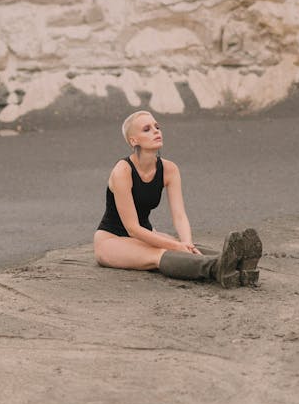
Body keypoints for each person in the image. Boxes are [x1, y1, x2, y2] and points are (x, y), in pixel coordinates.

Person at [93, 110, 262, 288]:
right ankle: (216, 268)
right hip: (112, 241)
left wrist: (186, 242)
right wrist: (176, 246)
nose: (156, 131)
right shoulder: (123, 171)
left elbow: (179, 215)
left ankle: (239, 264)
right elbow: (133, 229)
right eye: (147, 129)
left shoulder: (169, 169)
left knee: (183, 246)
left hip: (145, 235)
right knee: (161, 253)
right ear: (134, 140)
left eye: (157, 127)